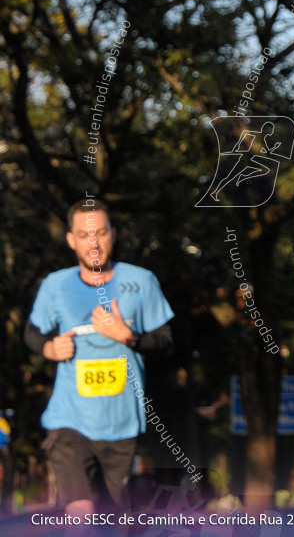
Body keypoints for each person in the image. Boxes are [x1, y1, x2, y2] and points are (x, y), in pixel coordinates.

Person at [24, 197, 174, 527]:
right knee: (81, 512)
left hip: (122, 426)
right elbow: (32, 332)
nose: (93, 243)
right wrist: (48, 348)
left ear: (113, 234)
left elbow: (165, 343)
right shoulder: (55, 286)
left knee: (111, 522)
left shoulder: (142, 282)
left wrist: (126, 335)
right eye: (83, 235)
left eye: (101, 233)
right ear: (70, 240)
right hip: (70, 421)